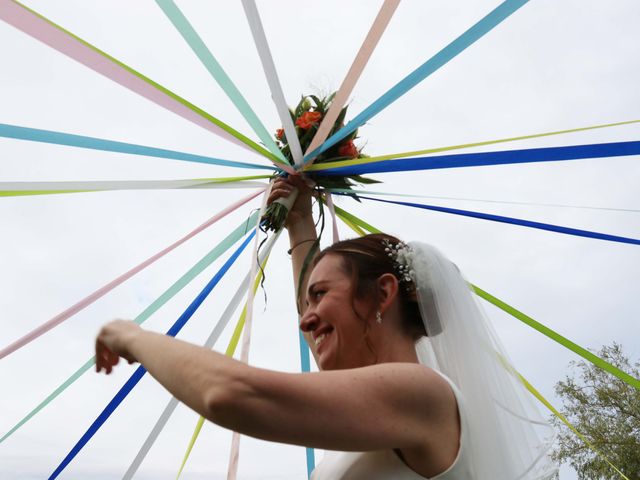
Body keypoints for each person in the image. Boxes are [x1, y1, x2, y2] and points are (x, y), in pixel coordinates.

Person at [96, 175, 556, 479]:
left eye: (319, 296)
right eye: (307, 298)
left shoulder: (422, 392)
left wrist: (131, 336)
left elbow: (231, 395)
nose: (304, 317)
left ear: (384, 293)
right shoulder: (394, 408)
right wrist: (299, 224)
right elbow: (323, 311)